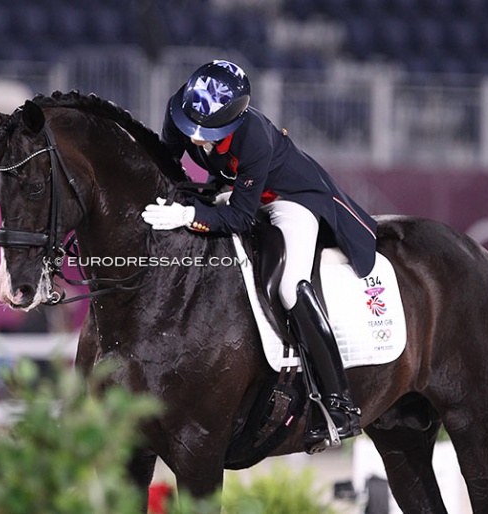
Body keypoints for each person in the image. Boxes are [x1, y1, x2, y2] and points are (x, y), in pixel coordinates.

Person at [141, 60, 377, 443]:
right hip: (231, 190)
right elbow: (168, 165)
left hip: (288, 199)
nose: (197, 140)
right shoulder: (179, 109)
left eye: (209, 133)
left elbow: (239, 217)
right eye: (192, 130)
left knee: (289, 286)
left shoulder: (255, 138)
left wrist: (188, 214)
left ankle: (339, 402)